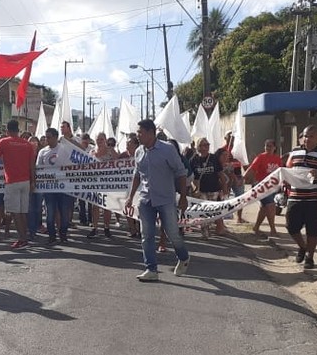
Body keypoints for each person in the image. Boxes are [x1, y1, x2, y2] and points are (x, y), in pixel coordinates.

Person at [125, 119, 190, 282]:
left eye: (140, 132)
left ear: (151, 133)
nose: (138, 135)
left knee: (172, 233)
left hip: (166, 199)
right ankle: (151, 269)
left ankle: (183, 257)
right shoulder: (139, 152)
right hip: (146, 200)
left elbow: (181, 172)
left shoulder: (167, 150)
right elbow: (137, 175)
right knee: (146, 235)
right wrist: (130, 197)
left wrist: (183, 196)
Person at [285, 125, 317, 270]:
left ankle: (310, 258)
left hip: (313, 198)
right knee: (291, 227)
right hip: (295, 196)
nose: (307, 139)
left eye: (311, 136)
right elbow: (288, 168)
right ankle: (302, 247)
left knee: (313, 230)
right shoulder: (295, 152)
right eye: (305, 136)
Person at [0, 120, 37, 249]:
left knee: (15, 212)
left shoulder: (3, 142)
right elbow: (32, 165)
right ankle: (24, 237)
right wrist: (33, 181)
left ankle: (22, 239)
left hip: (12, 181)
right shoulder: (27, 144)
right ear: (18, 130)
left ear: (7, 131)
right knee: (22, 211)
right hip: (26, 181)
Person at [188, 138, 227, 238]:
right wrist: (194, 188)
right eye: (204, 145)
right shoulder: (194, 160)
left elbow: (221, 174)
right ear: (198, 147)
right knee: (204, 211)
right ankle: (205, 230)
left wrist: (225, 189)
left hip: (214, 189)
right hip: (201, 190)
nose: (206, 147)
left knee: (213, 211)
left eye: (207, 145)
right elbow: (191, 176)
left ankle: (213, 226)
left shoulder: (213, 158)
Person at [37, 128, 70, 244]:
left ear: (56, 137)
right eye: (46, 137)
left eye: (49, 137)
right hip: (49, 189)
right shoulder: (42, 152)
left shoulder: (64, 150)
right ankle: (52, 235)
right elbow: (38, 169)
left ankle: (63, 234)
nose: (47, 139)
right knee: (50, 214)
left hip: (63, 188)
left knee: (64, 214)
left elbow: (70, 167)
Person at [245, 139, 282, 237]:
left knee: (264, 208)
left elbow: (281, 172)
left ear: (274, 148)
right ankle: (273, 229)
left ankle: (256, 227)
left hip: (272, 187)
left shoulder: (277, 159)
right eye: (266, 146)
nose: (268, 148)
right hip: (261, 186)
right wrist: (244, 177)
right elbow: (252, 169)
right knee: (270, 206)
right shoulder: (261, 157)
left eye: (270, 146)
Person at [87, 132, 117, 238]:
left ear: (105, 140)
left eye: (101, 139)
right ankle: (94, 227)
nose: (99, 141)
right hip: (95, 183)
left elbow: (120, 162)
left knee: (107, 207)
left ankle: (106, 227)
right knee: (95, 207)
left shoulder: (110, 151)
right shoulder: (92, 152)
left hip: (108, 183)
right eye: (97, 139)